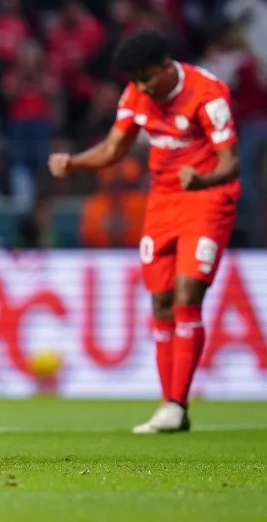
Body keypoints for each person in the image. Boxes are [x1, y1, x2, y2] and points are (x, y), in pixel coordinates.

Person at [49, 29, 240, 433]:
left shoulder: (209, 92)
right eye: (135, 80)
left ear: (166, 66)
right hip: (163, 202)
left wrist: (202, 180)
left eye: (147, 78)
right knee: (161, 302)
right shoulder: (137, 94)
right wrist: (74, 163)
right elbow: (113, 148)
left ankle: (176, 403)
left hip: (207, 198)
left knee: (188, 293)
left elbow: (230, 163)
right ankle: (172, 408)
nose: (141, 87)